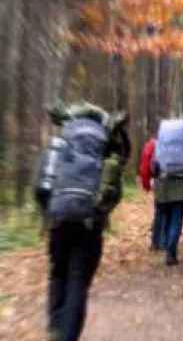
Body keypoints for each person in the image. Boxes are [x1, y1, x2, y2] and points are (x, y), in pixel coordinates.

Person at [34, 101, 130, 341]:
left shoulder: (60, 146)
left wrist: (48, 214)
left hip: (58, 216)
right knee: (78, 279)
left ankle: (55, 327)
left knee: (57, 272)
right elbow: (114, 194)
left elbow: (40, 188)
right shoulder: (105, 155)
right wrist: (101, 215)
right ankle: (67, 336)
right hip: (89, 222)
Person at [145, 118, 183, 266]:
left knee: (167, 217)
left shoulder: (161, 145)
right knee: (177, 219)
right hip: (182, 187)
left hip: (163, 186)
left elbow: (154, 167)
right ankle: (171, 252)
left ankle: (167, 245)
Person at [139, 137, 165, 251]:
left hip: (158, 180)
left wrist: (146, 184)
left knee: (159, 210)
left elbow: (145, 167)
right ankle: (165, 241)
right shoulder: (175, 145)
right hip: (175, 181)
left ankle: (156, 241)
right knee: (169, 211)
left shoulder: (151, 145)